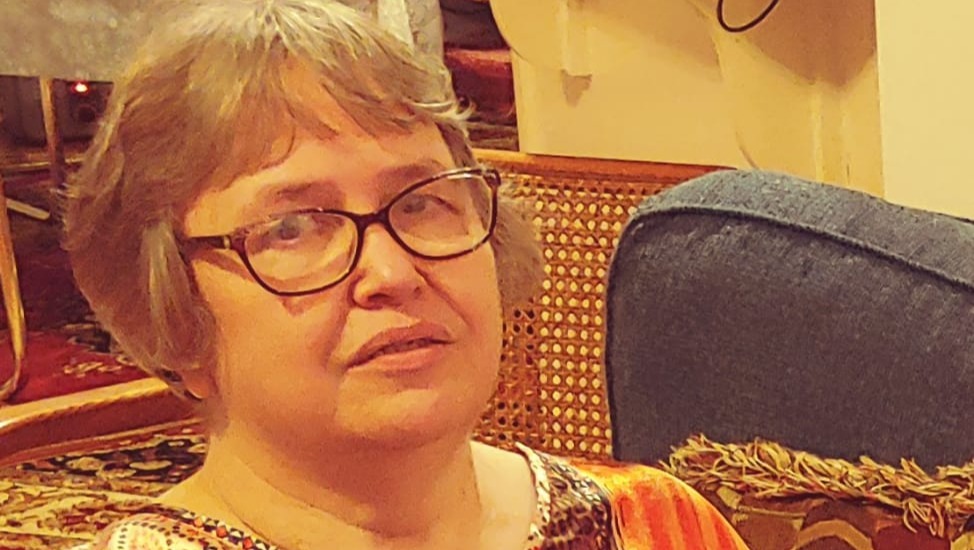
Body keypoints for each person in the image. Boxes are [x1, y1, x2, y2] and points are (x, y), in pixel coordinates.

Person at [64, 1, 750, 548]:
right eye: (292, 227)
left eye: (422, 203)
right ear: (171, 310)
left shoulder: (655, 526)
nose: (392, 272)